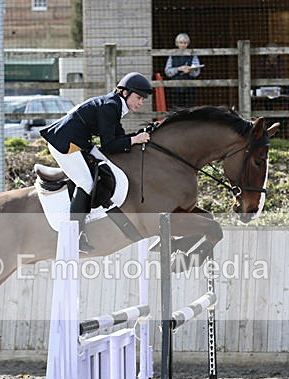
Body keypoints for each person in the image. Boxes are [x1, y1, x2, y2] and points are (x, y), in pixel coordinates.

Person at [40, 72, 152, 253]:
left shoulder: (115, 105)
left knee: (105, 163)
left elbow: (118, 139)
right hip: (64, 143)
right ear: (125, 93)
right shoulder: (110, 106)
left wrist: (137, 137)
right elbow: (109, 145)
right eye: (138, 98)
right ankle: (75, 235)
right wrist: (135, 139)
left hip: (79, 142)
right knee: (85, 182)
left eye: (143, 100)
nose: (141, 103)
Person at [164, 33, 202, 109]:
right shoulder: (172, 55)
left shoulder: (193, 55)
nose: (183, 45)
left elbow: (197, 72)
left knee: (189, 108)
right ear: (177, 44)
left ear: (188, 43)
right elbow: (167, 71)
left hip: (190, 87)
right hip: (175, 87)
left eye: (185, 43)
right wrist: (178, 69)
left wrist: (190, 70)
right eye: (181, 43)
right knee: (177, 108)